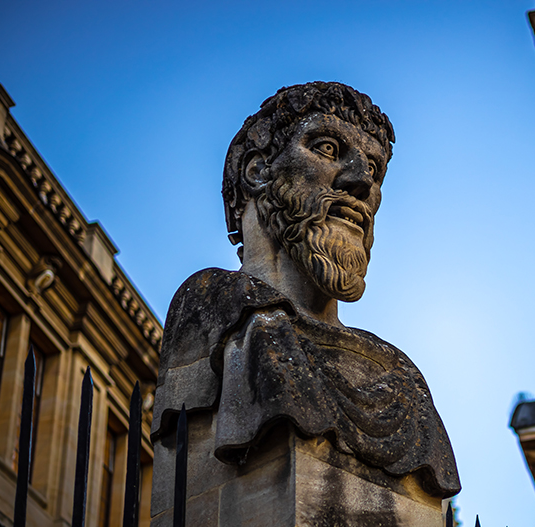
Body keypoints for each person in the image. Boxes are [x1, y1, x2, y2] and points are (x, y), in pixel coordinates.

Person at [150, 82, 460, 498]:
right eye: (328, 149)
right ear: (258, 171)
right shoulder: (217, 307)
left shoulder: (398, 374)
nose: (361, 183)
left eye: (374, 167)